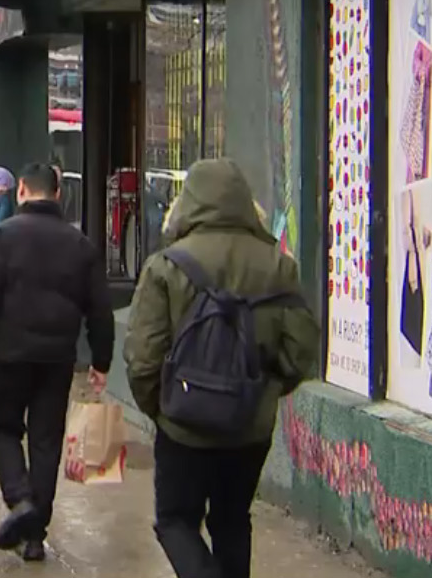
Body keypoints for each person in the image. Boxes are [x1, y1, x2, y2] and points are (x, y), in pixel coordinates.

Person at [123, 158, 319, 578]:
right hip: (250, 425)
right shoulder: (278, 264)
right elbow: (301, 349)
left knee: (176, 520)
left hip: (182, 425)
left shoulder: (167, 265)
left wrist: (160, 407)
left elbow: (142, 355)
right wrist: (264, 391)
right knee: (232, 520)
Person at [0, 163, 114, 563]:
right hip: (56, 359)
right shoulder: (79, 245)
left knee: (4, 429)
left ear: (20, 193)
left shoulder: (2, 238)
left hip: (8, 354)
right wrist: (101, 361)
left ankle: (20, 500)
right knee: (47, 440)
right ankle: (35, 532)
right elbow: (100, 310)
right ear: (58, 194)